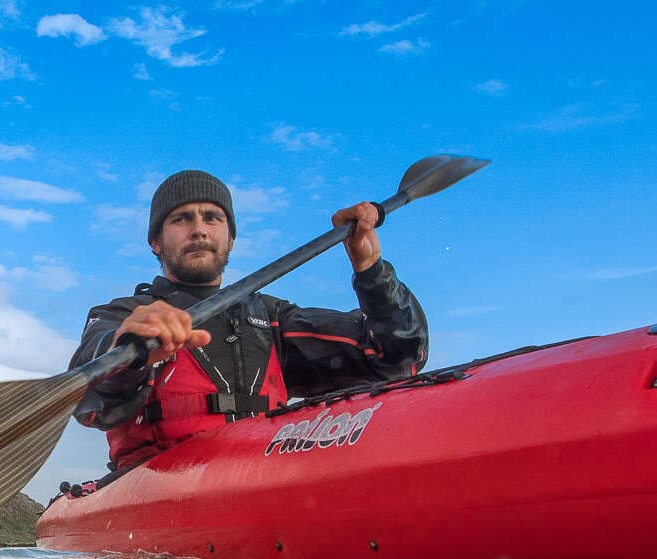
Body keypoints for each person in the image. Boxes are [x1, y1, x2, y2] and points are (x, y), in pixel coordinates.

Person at [70, 169, 428, 475]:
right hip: (155, 483)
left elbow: (395, 358)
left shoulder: (273, 321)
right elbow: (90, 402)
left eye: (212, 217)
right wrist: (129, 348)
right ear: (155, 242)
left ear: (231, 239)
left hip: (258, 477)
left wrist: (371, 270)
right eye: (181, 219)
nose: (199, 230)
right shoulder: (122, 316)